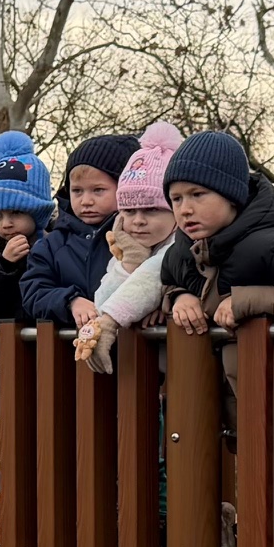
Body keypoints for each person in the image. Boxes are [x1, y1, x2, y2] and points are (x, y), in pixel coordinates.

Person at [73, 121, 187, 368]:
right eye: (129, 210)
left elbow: (154, 274)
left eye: (152, 210)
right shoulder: (131, 246)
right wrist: (130, 262)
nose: (138, 221)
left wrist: (110, 321)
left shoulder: (180, 243)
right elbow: (101, 300)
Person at [19, 130, 139, 327]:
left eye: (98, 190)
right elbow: (34, 291)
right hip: (72, 351)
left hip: (136, 349)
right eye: (77, 191)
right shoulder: (52, 245)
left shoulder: (140, 234)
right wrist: (70, 300)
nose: (86, 201)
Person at [0, 133, 54, 322]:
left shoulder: (57, 248)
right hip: (7, 347)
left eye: (15, 212)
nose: (6, 223)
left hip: (51, 345)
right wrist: (3, 265)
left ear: (37, 211)